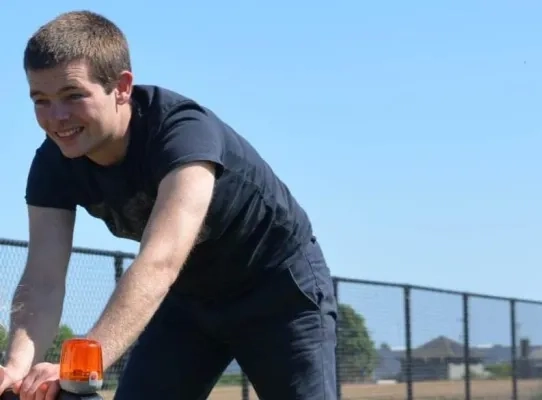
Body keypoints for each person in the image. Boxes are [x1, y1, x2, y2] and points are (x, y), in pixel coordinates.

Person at [0, 10, 338, 400]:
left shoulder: (182, 135)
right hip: (187, 302)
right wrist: (16, 369)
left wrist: (80, 363)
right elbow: (42, 279)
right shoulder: (53, 162)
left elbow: (160, 262)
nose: (56, 118)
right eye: (40, 100)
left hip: (276, 291)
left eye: (73, 96)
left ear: (122, 87)